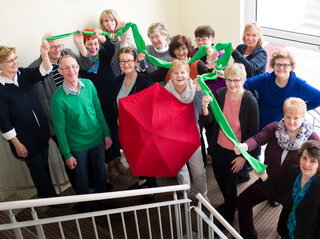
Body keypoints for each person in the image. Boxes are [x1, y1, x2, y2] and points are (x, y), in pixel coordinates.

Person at [234, 97, 320, 239]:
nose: (291, 122)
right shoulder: (274, 128)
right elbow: (257, 139)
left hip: (290, 190)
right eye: (288, 117)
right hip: (266, 181)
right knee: (243, 201)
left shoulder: (312, 139)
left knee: (288, 221)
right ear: (283, 115)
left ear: (303, 118)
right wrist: (245, 146)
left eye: (296, 118)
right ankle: (248, 233)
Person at [29, 32, 92, 189]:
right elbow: (44, 103)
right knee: (71, 159)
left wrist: (79, 44)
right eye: (53, 47)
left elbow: (87, 64)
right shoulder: (36, 68)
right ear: (45, 47)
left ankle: (95, 185)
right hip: (59, 124)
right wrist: (63, 124)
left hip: (79, 118)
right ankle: (80, 192)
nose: (58, 50)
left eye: (59, 45)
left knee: (86, 153)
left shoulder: (68, 54)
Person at [50, 55, 113, 212]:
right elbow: (60, 129)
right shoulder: (57, 99)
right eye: (66, 68)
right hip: (77, 146)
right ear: (60, 71)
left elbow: (98, 111)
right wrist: (66, 154)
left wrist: (106, 133)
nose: (71, 71)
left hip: (97, 139)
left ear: (78, 67)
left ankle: (102, 198)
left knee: (100, 172)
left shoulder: (89, 84)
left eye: (74, 66)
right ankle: (84, 205)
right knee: (81, 177)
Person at [202, 63, 259, 225]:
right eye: (229, 80)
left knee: (230, 185)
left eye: (236, 80)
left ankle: (228, 217)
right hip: (218, 147)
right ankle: (230, 203)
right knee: (220, 178)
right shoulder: (220, 94)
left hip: (236, 152)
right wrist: (205, 108)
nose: (232, 84)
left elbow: (252, 134)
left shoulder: (249, 101)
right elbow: (209, 122)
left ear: (244, 80)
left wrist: (243, 158)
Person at [0, 43, 57, 198]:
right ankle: (50, 199)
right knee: (38, 170)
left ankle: (47, 196)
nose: (15, 62)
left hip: (40, 133)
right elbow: (4, 122)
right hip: (24, 140)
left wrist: (44, 55)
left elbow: (45, 70)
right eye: (10, 61)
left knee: (44, 166)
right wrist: (17, 144)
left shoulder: (23, 74)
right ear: (1, 65)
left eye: (15, 58)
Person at [79, 29, 127, 180]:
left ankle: (118, 159)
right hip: (96, 105)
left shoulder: (104, 56)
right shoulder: (82, 63)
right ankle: (110, 163)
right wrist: (80, 43)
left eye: (95, 44)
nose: (93, 47)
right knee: (103, 133)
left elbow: (111, 47)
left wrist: (99, 36)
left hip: (110, 101)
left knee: (114, 130)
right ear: (83, 46)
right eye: (89, 44)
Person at [113, 47, 155, 199]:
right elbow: (116, 104)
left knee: (145, 157)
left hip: (142, 127)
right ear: (118, 63)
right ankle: (142, 180)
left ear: (136, 61)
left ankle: (151, 187)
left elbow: (151, 105)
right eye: (122, 61)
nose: (126, 64)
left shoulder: (144, 80)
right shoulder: (117, 81)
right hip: (125, 128)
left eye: (129, 60)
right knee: (133, 157)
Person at [256, 140, 320, 239]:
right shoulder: (292, 171)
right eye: (304, 158)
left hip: (307, 233)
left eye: (313, 161)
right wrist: (264, 177)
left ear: (319, 165)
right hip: (285, 227)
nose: (306, 164)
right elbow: (277, 194)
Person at [244, 49, 320, 131]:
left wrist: (299, 110)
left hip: (284, 129)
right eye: (278, 64)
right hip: (260, 125)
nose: (281, 68)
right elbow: (244, 85)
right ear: (273, 66)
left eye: (285, 65)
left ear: (291, 67)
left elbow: (318, 97)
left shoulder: (299, 85)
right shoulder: (265, 79)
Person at [165, 60, 208, 199]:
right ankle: (185, 194)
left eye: (183, 72)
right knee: (181, 169)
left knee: (198, 170)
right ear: (171, 75)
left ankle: (203, 195)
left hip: (191, 135)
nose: (179, 75)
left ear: (188, 74)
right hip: (174, 137)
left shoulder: (195, 89)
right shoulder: (165, 91)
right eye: (176, 73)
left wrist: (201, 92)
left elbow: (202, 112)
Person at [149, 34, 216, 84]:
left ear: (188, 49)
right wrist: (141, 62)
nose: (181, 52)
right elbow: (149, 79)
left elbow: (211, 80)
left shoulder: (197, 64)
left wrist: (210, 61)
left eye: (183, 48)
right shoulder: (169, 66)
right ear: (173, 51)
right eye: (177, 49)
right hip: (173, 102)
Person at [99, 9, 135, 77]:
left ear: (116, 21)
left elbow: (130, 53)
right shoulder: (102, 37)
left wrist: (121, 39)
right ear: (102, 23)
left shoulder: (125, 31)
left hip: (128, 73)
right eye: (106, 21)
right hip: (112, 75)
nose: (109, 23)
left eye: (112, 20)